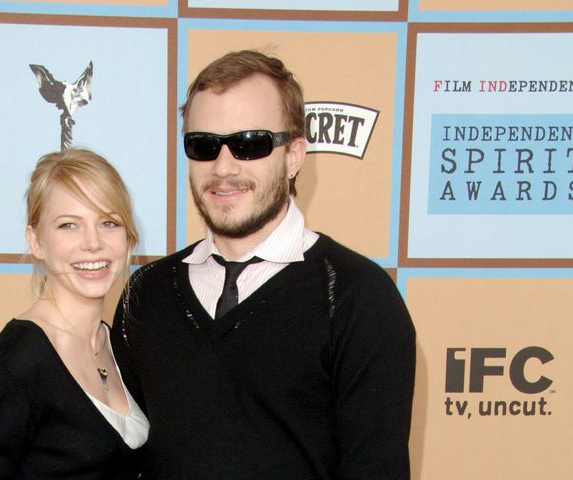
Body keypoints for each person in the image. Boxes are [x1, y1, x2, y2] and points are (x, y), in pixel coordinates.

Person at [111, 50, 416, 479]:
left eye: (249, 144)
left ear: (294, 154)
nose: (223, 167)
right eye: (203, 145)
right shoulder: (147, 293)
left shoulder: (357, 296)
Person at [0, 149, 148, 479]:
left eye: (108, 223)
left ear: (127, 237)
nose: (93, 242)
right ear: (36, 241)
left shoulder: (117, 344)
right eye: (69, 225)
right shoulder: (18, 364)